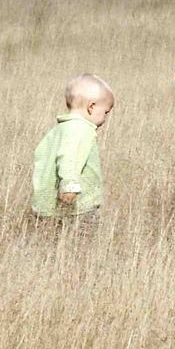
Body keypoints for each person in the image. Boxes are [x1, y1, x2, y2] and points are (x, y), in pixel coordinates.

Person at [31, 73, 114, 235]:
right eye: (105, 112)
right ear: (91, 106)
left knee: (48, 246)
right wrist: (70, 186)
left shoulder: (57, 131)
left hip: (46, 207)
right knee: (82, 246)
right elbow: (68, 157)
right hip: (77, 208)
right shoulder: (80, 130)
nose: (105, 119)